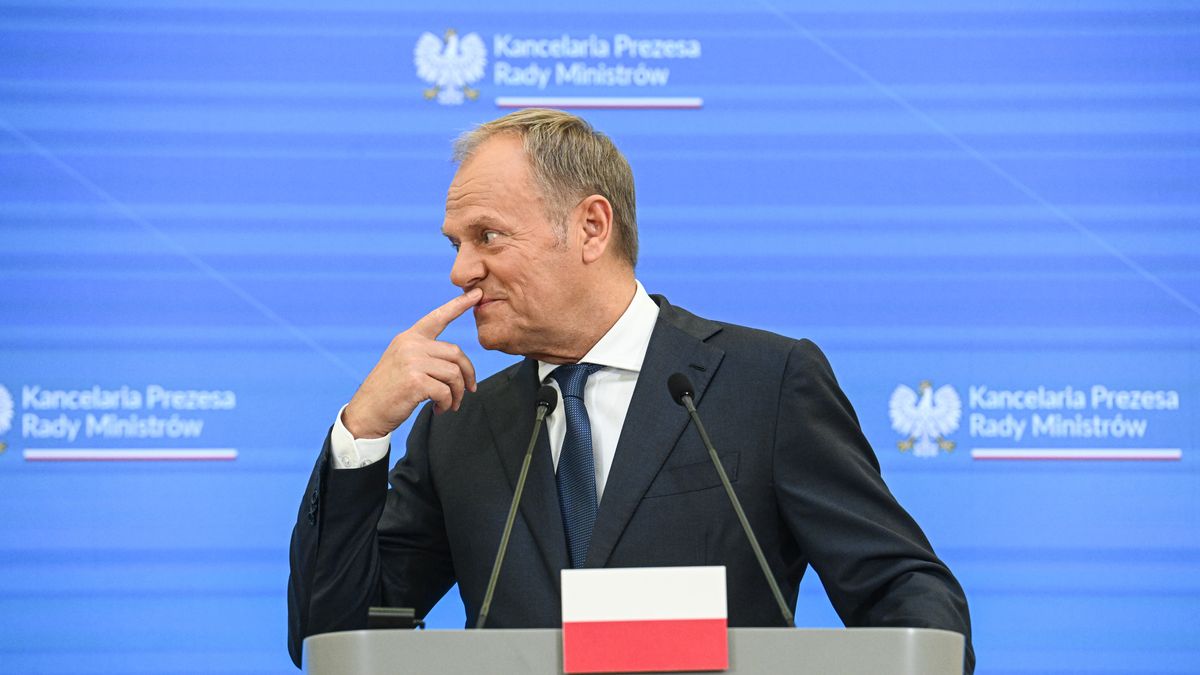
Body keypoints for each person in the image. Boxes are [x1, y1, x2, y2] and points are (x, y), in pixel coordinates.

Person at [287, 109, 974, 672]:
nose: (461, 270)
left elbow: (906, 592)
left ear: (591, 227)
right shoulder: (459, 425)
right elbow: (333, 634)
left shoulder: (764, 385)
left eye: (487, 237)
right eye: (455, 243)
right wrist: (362, 431)